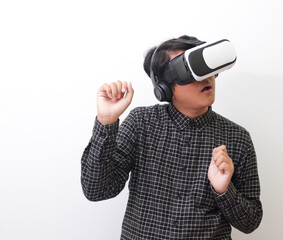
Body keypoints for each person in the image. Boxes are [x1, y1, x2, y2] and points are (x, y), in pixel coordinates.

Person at [81, 35, 263, 239]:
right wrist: (106, 121)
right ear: (165, 88)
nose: (205, 77)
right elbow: (96, 190)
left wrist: (223, 191)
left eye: (205, 68)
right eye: (189, 71)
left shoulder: (237, 138)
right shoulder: (141, 123)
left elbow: (251, 222)